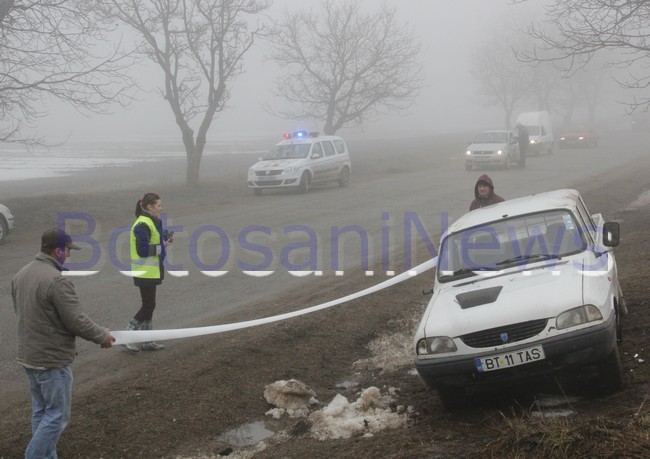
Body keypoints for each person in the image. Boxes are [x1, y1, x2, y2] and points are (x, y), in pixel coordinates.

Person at [11, 228, 115, 459]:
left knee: (41, 412)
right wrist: (102, 336)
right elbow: (76, 320)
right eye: (67, 250)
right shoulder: (56, 282)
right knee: (57, 415)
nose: (68, 255)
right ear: (57, 251)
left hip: (28, 357)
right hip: (51, 361)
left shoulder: (21, 274)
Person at [123, 192, 173, 352]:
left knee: (149, 304)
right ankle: (127, 336)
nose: (161, 208)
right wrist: (162, 246)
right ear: (150, 207)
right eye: (159, 205)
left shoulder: (151, 221)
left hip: (150, 271)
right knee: (148, 305)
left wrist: (166, 237)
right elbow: (143, 249)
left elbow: (155, 237)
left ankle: (146, 341)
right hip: (144, 271)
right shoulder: (143, 224)